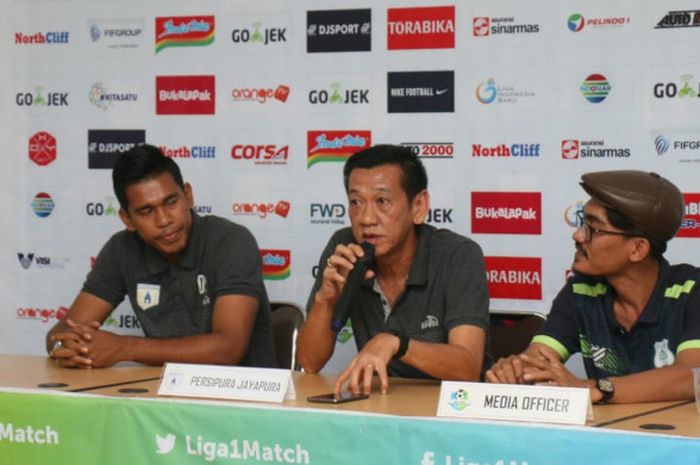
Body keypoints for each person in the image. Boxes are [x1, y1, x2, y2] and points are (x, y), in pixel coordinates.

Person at [46, 144, 275, 368]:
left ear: (188, 195)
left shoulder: (231, 241)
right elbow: (60, 334)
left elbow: (229, 348)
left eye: (171, 202)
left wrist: (125, 348)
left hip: (242, 397)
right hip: (162, 396)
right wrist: (70, 348)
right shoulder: (121, 250)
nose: (164, 220)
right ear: (127, 219)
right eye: (146, 211)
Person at [486, 170, 700, 403]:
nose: (578, 236)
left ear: (637, 249)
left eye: (594, 229)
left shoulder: (692, 291)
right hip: (608, 434)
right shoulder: (581, 291)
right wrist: (517, 371)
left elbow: (691, 377)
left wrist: (597, 388)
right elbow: (538, 360)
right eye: (582, 223)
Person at [297, 144, 490, 395]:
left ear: (419, 206)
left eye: (382, 201)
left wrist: (397, 345)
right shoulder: (344, 248)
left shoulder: (457, 255)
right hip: (382, 405)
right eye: (356, 202)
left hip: (451, 409)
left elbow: (468, 368)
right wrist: (326, 301)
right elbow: (309, 362)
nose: (366, 218)